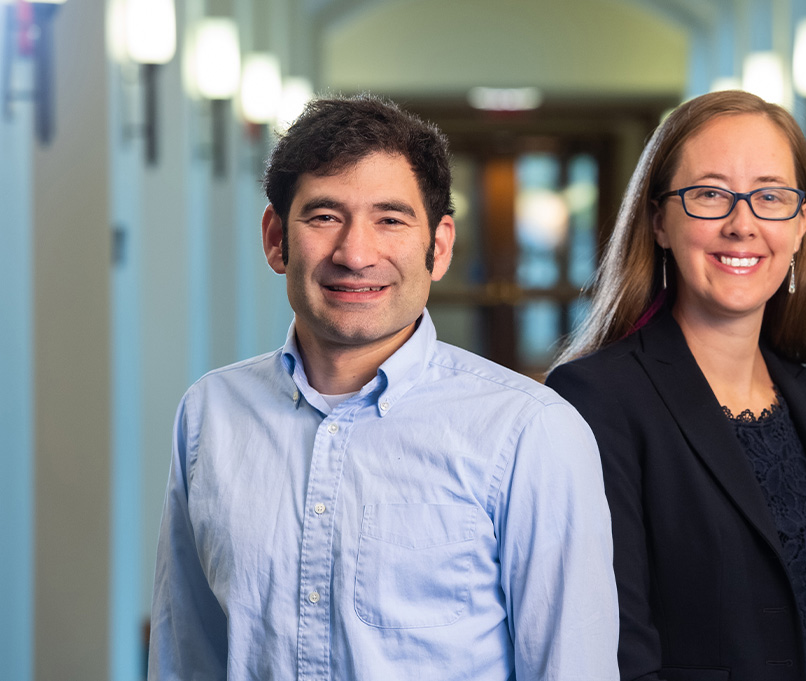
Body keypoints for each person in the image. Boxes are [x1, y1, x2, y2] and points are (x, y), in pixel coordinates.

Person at [149, 95, 619, 681]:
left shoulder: (530, 432)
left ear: (439, 246)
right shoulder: (210, 415)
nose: (356, 253)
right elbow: (187, 651)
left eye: (390, 219)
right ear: (276, 239)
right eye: (324, 216)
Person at [546, 90, 806, 681]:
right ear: (659, 221)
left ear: (800, 226)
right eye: (710, 195)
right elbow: (617, 659)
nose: (742, 224)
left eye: (771, 196)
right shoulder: (595, 400)